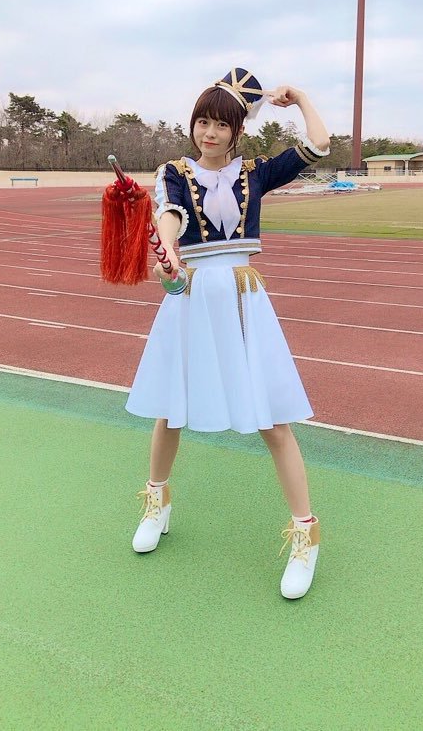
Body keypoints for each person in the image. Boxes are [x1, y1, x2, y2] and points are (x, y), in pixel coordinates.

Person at [126, 68, 330, 599]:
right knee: (170, 410)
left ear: (237, 130)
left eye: (221, 124)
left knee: (273, 421)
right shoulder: (173, 171)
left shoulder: (257, 172)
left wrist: (301, 98)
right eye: (202, 122)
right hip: (192, 298)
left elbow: (319, 145)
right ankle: (156, 504)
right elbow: (169, 215)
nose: (209, 133)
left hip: (242, 300)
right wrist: (168, 251)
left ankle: (305, 536)